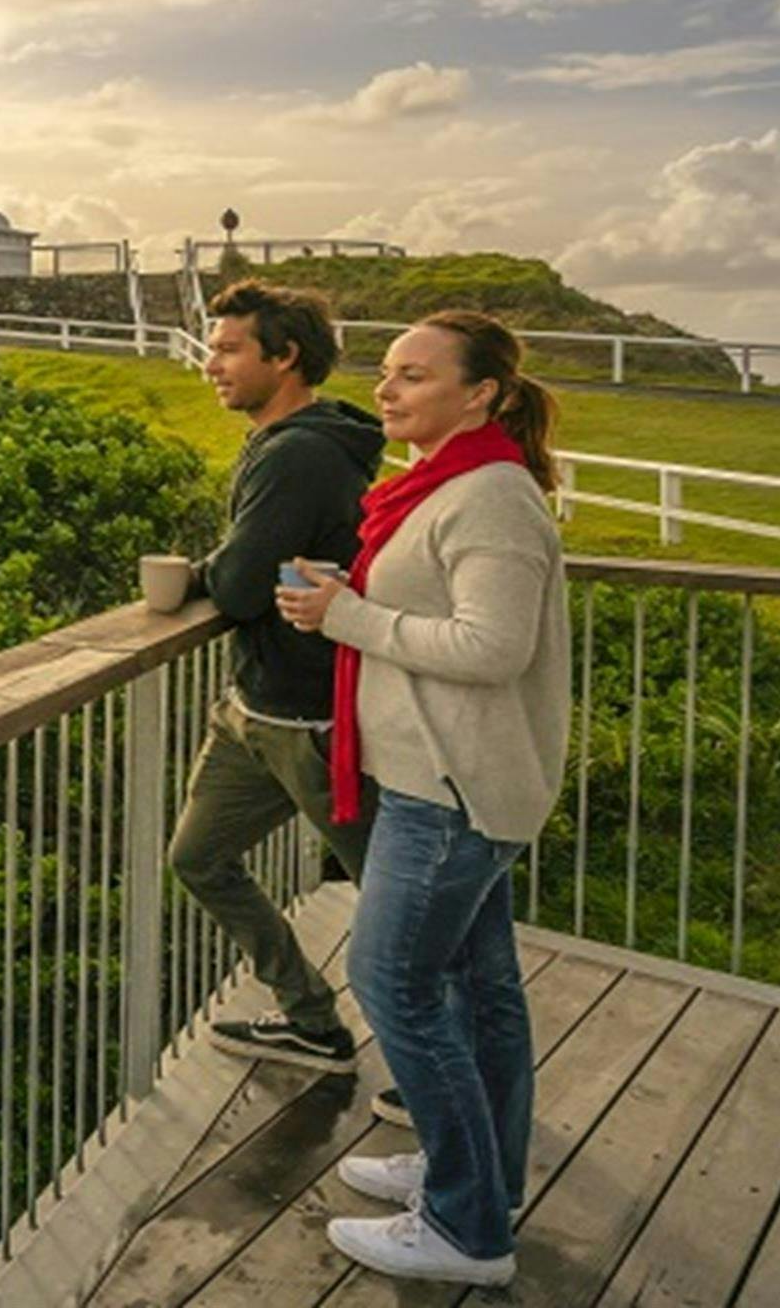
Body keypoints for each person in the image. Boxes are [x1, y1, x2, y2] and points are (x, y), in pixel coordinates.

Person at [277, 310, 568, 1289]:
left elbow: (492, 648)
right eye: (385, 373)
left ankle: (463, 1226)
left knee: (392, 980)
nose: (385, 390)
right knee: (480, 994)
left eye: (411, 376)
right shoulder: (450, 484)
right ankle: (480, 1177)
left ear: (479, 393)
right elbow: (438, 609)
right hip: (445, 778)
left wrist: (347, 615)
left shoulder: (486, 496)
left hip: (445, 787)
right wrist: (343, 592)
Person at [175, 281, 384, 1075]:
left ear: (285, 355)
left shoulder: (298, 452)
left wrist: (210, 573)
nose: (211, 366)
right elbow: (244, 569)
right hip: (252, 711)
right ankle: (309, 1017)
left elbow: (235, 585)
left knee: (398, 903)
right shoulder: (282, 441)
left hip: (312, 721)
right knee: (199, 858)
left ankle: (444, 1082)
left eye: (229, 349)